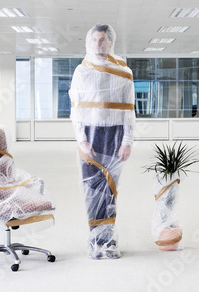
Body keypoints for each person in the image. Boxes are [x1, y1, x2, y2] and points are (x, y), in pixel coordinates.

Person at [68, 24, 135, 259]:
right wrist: (82, 140)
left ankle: (109, 241)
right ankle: (95, 241)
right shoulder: (82, 71)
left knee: (109, 190)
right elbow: (76, 110)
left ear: (111, 43)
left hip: (114, 134)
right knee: (92, 188)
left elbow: (128, 110)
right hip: (90, 134)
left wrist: (127, 141)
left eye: (103, 40)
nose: (98, 44)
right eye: (95, 39)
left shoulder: (124, 71)